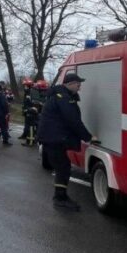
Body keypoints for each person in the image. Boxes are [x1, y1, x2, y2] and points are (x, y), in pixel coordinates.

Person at [37, 73, 95, 211]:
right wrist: (88, 137)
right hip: (54, 139)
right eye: (78, 84)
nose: (79, 88)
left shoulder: (61, 96)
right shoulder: (63, 98)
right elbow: (73, 121)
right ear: (69, 84)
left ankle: (61, 197)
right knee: (63, 168)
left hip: (53, 138)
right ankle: (60, 199)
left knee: (63, 167)